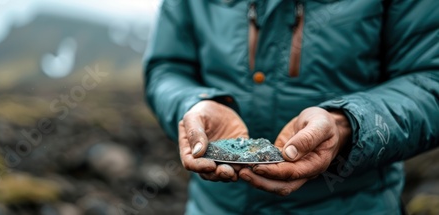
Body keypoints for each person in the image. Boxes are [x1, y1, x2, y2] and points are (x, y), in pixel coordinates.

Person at [144, 0, 439, 214]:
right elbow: (167, 67)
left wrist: (346, 123)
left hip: (355, 206)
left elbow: (431, 79)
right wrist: (193, 104)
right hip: (215, 207)